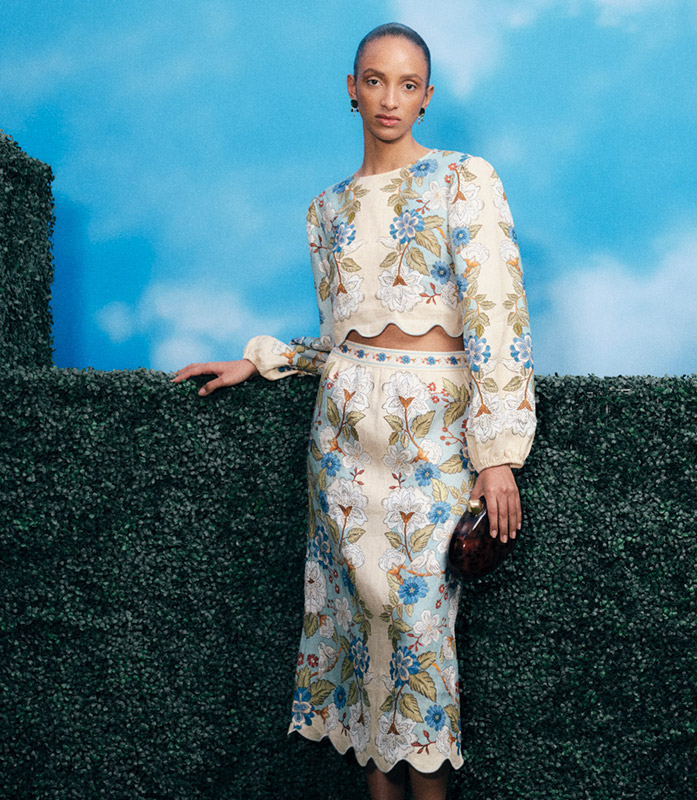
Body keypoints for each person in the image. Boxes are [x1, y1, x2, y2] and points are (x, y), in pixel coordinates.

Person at [171, 22, 536, 800]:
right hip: (341, 451)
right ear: (351, 88)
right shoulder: (325, 211)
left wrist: (497, 451)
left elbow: (497, 314)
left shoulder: (462, 180)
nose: (390, 98)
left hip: (430, 447)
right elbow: (351, 335)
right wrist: (263, 360)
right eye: (375, 80)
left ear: (428, 97)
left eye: (408, 84)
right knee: (357, 642)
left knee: (418, 644)